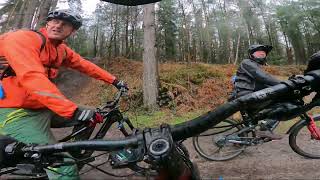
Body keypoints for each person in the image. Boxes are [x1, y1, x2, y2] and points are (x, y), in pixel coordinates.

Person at [0, 9, 128, 179]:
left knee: (92, 116)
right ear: (47, 24)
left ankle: (72, 155)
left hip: (42, 107)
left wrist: (114, 80)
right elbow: (32, 77)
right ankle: (60, 166)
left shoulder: (60, 50)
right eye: (54, 21)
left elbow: (85, 65)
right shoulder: (22, 39)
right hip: (15, 113)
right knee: (64, 167)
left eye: (65, 24)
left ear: (72, 31)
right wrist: (71, 109)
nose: (58, 25)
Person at [231, 44, 282, 140]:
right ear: (251, 54)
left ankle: (239, 140)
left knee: (252, 121)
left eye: (263, 55)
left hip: (247, 94)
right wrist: (283, 84)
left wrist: (277, 86)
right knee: (279, 104)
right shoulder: (247, 63)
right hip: (246, 94)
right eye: (259, 54)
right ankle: (265, 129)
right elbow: (263, 77)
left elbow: (262, 82)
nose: (261, 56)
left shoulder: (253, 66)